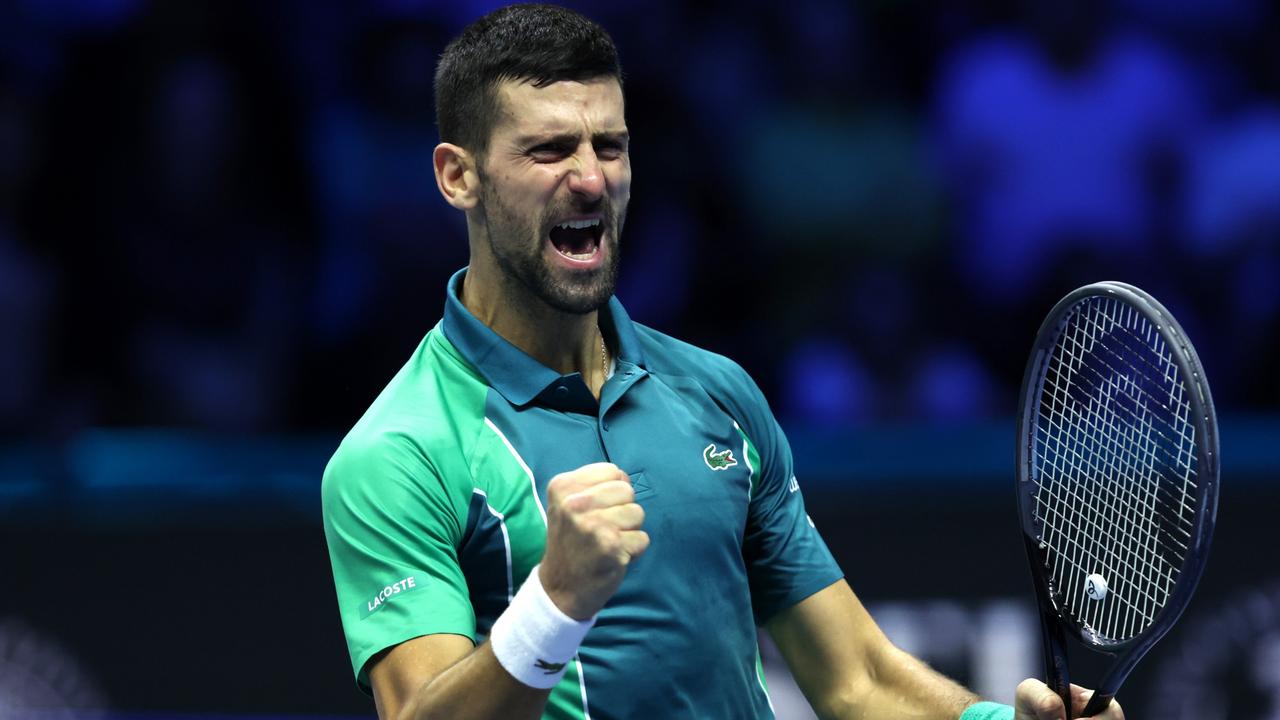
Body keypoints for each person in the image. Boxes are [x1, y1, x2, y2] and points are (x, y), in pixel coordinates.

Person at [321, 5, 1126, 719]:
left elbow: (857, 679)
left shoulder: (718, 393)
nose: (592, 179)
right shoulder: (398, 453)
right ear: (458, 176)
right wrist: (555, 602)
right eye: (549, 149)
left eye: (611, 145)